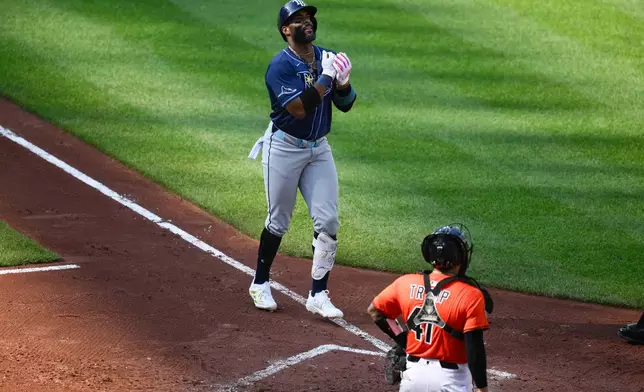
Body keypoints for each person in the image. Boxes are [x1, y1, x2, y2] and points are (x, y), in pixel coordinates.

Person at [247, 0, 357, 318]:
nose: (306, 21)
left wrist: (345, 83)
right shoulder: (280, 66)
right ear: (286, 30)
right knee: (278, 221)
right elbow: (298, 108)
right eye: (298, 19)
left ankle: (318, 293)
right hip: (283, 147)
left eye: (309, 17)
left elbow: (346, 104)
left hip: (318, 149)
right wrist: (326, 79)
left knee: (328, 220)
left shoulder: (326, 57)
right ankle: (260, 282)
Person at [368, 224, 493, 392]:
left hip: (413, 378)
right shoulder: (471, 294)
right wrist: (482, 388)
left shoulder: (405, 282)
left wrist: (403, 340)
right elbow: (474, 347)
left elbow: (375, 311)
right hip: (452, 381)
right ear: (460, 256)